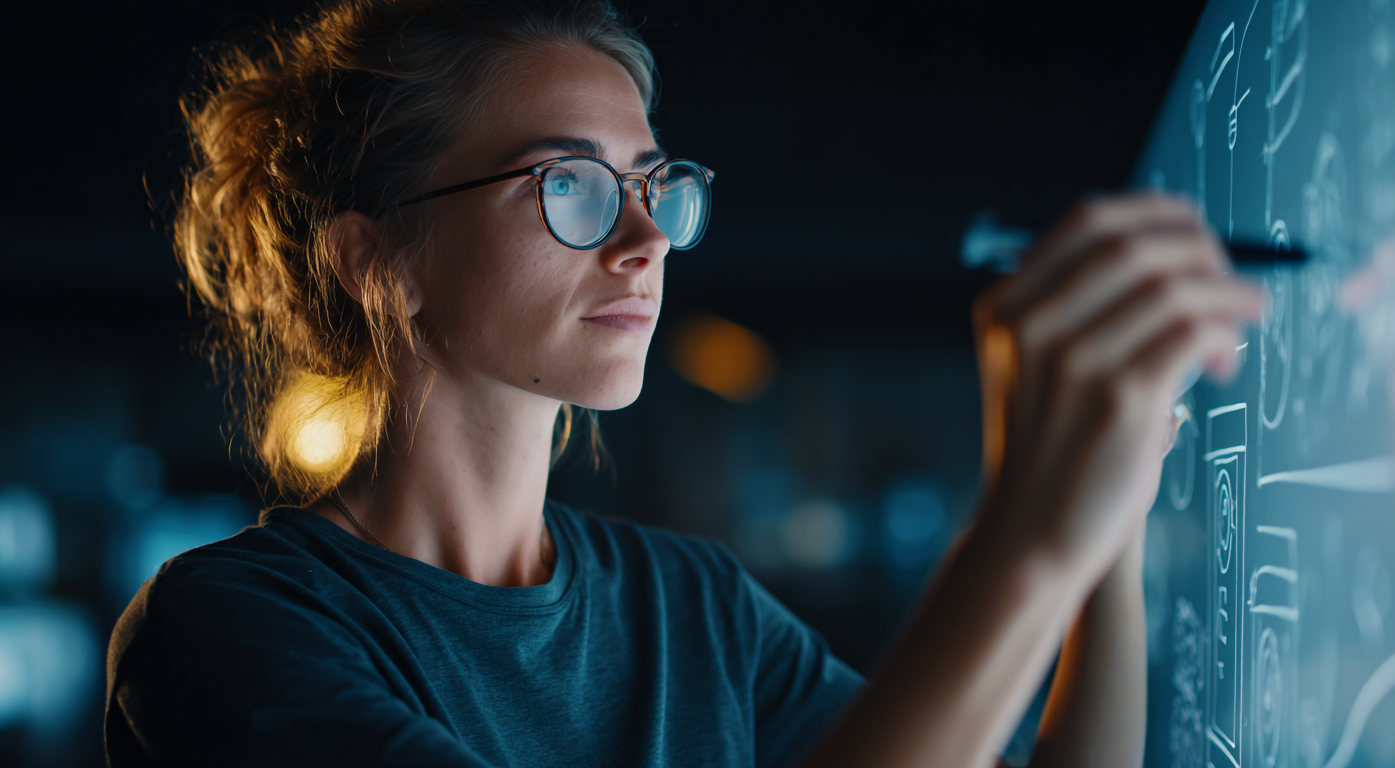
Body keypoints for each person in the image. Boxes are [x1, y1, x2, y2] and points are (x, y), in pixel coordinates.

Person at [104, 1, 1264, 765]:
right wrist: (1026, 533)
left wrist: (1105, 512)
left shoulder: (692, 604)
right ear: (378, 263)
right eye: (568, 185)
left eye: (655, 185)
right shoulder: (228, 632)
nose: (646, 238)